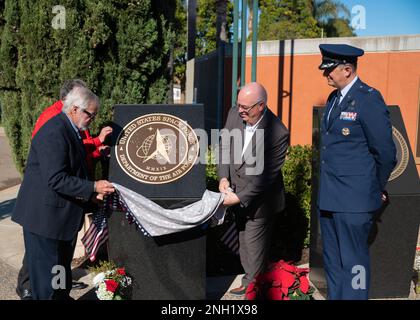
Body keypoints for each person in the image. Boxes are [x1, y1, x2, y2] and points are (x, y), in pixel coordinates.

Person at [12, 86, 115, 300]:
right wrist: (93, 187)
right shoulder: (54, 131)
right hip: (45, 221)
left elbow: (74, 170)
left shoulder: (71, 129)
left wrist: (90, 197)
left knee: (59, 277)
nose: (92, 120)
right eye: (90, 114)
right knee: (47, 287)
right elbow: (57, 178)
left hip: (60, 220)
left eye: (95, 115)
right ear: (74, 109)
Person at [317, 44, 397, 300]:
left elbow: (385, 153)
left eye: (329, 70)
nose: (325, 74)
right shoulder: (333, 99)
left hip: (355, 200)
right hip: (329, 198)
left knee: (354, 264)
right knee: (334, 264)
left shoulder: (368, 99)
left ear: (347, 70)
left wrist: (375, 187)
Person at [217, 82, 290, 296]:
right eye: (238, 105)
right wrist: (223, 177)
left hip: (260, 201)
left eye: (245, 108)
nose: (240, 110)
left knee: (253, 242)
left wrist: (237, 198)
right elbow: (224, 145)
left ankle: (253, 287)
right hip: (235, 192)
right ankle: (254, 278)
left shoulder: (277, 132)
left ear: (261, 106)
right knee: (243, 239)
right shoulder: (234, 113)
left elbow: (263, 179)